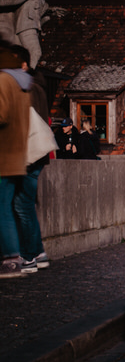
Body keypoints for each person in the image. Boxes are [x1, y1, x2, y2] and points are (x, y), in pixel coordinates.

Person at [9, 45, 51, 272]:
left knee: (20, 205)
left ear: (24, 64)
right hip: (38, 153)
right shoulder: (39, 86)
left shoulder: (27, 88)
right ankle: (38, 251)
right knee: (26, 204)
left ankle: (28, 256)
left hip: (28, 153)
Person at [0, 42, 35, 277]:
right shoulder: (24, 85)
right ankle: (17, 256)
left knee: (3, 208)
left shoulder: (4, 81)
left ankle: (11, 258)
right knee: (9, 207)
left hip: (3, 155)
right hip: (18, 155)